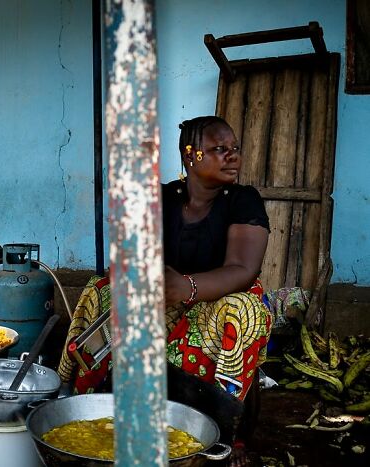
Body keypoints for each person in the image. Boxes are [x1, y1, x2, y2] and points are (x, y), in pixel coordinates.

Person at [163, 116, 271, 466]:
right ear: (190, 156)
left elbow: (243, 269)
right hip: (169, 303)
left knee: (245, 310)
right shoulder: (163, 198)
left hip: (218, 304)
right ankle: (90, 399)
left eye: (234, 149)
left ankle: (226, 434)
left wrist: (186, 287)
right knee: (99, 289)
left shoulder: (243, 200)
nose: (232, 157)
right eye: (219, 150)